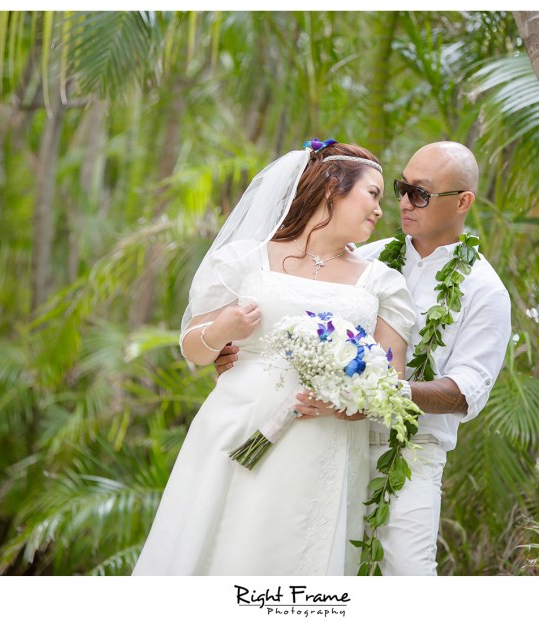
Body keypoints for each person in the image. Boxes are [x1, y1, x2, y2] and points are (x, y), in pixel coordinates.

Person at [216, 141, 511, 576]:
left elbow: (465, 391)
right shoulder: (368, 259)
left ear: (463, 201)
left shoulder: (486, 290)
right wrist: (243, 353)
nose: (404, 202)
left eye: (420, 193)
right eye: (401, 187)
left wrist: (375, 395)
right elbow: (297, 308)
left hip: (410, 457)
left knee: (407, 575)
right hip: (330, 443)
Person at [131, 140, 417, 576]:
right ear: (331, 189)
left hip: (325, 441)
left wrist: (349, 405)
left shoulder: (383, 282)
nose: (381, 210)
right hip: (238, 426)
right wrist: (224, 328)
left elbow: (392, 382)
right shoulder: (243, 259)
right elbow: (193, 349)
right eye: (373, 194)